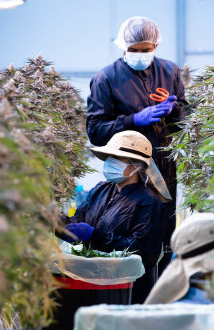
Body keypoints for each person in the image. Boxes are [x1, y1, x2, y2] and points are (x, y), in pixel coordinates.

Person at [86, 16, 188, 274]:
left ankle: (159, 299)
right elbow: (96, 131)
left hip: (164, 171)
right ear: (123, 46)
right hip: (129, 173)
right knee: (131, 239)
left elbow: (186, 124)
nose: (140, 55)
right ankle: (129, 291)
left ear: (156, 46)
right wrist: (133, 120)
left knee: (163, 241)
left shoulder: (170, 71)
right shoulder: (106, 79)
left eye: (146, 50)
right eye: (134, 50)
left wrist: (174, 109)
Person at [58, 130, 170, 304]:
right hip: (87, 283)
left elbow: (142, 250)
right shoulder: (101, 190)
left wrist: (96, 236)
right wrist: (57, 223)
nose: (109, 162)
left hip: (125, 290)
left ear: (135, 166)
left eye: (116, 158)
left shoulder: (149, 202)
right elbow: (77, 224)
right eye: (109, 157)